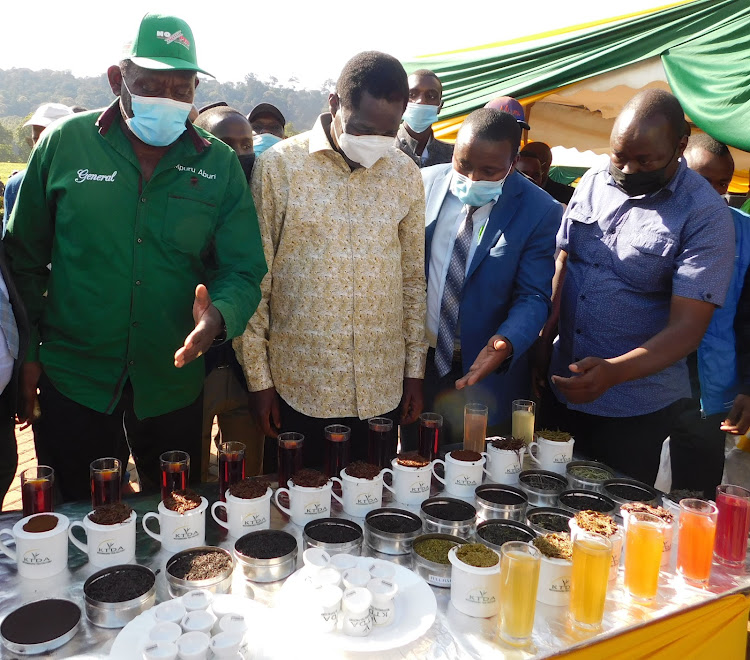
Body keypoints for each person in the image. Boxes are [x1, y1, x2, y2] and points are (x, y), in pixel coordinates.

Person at [5, 13, 267, 501]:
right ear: (117, 79)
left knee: (176, 514)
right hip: (75, 377)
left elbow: (243, 268)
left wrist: (219, 316)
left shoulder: (217, 164)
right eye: (151, 85)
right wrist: (31, 351)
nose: (168, 100)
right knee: (82, 515)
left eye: (182, 88)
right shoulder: (66, 144)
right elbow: (22, 259)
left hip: (171, 379)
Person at [235, 51, 427, 469]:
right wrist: (259, 381)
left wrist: (414, 370)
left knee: (370, 506)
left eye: (388, 132)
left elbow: (412, 280)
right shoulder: (279, 168)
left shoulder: (404, 175)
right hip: (301, 384)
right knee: (298, 511)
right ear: (335, 104)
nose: (375, 141)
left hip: (381, 384)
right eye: (362, 129)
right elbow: (255, 279)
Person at [535, 89, 735, 485]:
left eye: (645, 160)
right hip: (563, 387)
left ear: (680, 147)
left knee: (610, 524)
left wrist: (613, 372)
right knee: (546, 500)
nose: (627, 169)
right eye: (619, 156)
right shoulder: (593, 181)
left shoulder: (706, 216)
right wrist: (544, 341)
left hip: (635, 409)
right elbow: (565, 261)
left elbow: (687, 329)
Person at [406, 108, 560, 446]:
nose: (472, 179)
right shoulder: (422, 183)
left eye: (490, 171)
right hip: (420, 367)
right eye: (464, 164)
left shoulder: (541, 210)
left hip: (485, 372)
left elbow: (534, 296)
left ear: (513, 160)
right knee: (413, 467)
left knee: (473, 473)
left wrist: (506, 341)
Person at [667, 134, 750, 495]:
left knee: (695, 497)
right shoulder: (655, 218)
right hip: (644, 377)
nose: (714, 191)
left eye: (722, 183)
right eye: (704, 180)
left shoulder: (745, 233)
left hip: (709, 389)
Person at [193, 106, 264, 476]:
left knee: (248, 472)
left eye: (246, 143)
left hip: (246, 369)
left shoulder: (263, 202)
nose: (239, 154)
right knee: (190, 472)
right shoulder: (189, 200)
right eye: (227, 144)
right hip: (194, 368)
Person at [3, 103, 74, 229]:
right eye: (37, 140)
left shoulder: (89, 182)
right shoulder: (17, 184)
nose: (41, 147)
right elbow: (11, 241)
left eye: (50, 139)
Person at [396, 69, 453, 168]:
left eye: (431, 96)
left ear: (440, 106)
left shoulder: (453, 157)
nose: (421, 101)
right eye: (412, 95)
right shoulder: (383, 149)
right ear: (401, 101)